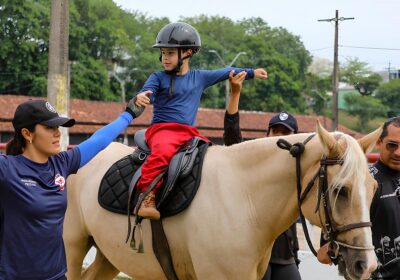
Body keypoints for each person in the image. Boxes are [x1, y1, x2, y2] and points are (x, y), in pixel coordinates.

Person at [133, 22, 268, 220]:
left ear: (187, 52)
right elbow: (147, 92)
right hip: (163, 131)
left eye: (170, 53)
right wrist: (142, 97)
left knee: (211, 157)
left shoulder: (200, 77)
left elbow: (227, 71)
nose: (164, 58)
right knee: (162, 152)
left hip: (189, 133)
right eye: (163, 53)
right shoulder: (158, 77)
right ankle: (147, 196)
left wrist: (251, 72)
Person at [0, 98, 143, 279]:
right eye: (49, 128)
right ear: (27, 134)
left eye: (58, 127)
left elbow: (100, 140)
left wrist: (129, 114)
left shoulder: (62, 163)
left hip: (57, 275)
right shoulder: (6, 169)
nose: (57, 133)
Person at [223, 72, 301, 280]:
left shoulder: (300, 169)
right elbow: (232, 139)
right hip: (254, 255)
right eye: (275, 131)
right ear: (267, 135)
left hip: (286, 258)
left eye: (285, 133)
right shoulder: (253, 166)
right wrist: (235, 94)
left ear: (295, 138)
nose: (279, 136)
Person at [317, 116, 400, 279]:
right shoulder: (360, 184)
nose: (398, 152)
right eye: (392, 145)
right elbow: (324, 253)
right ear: (378, 143)